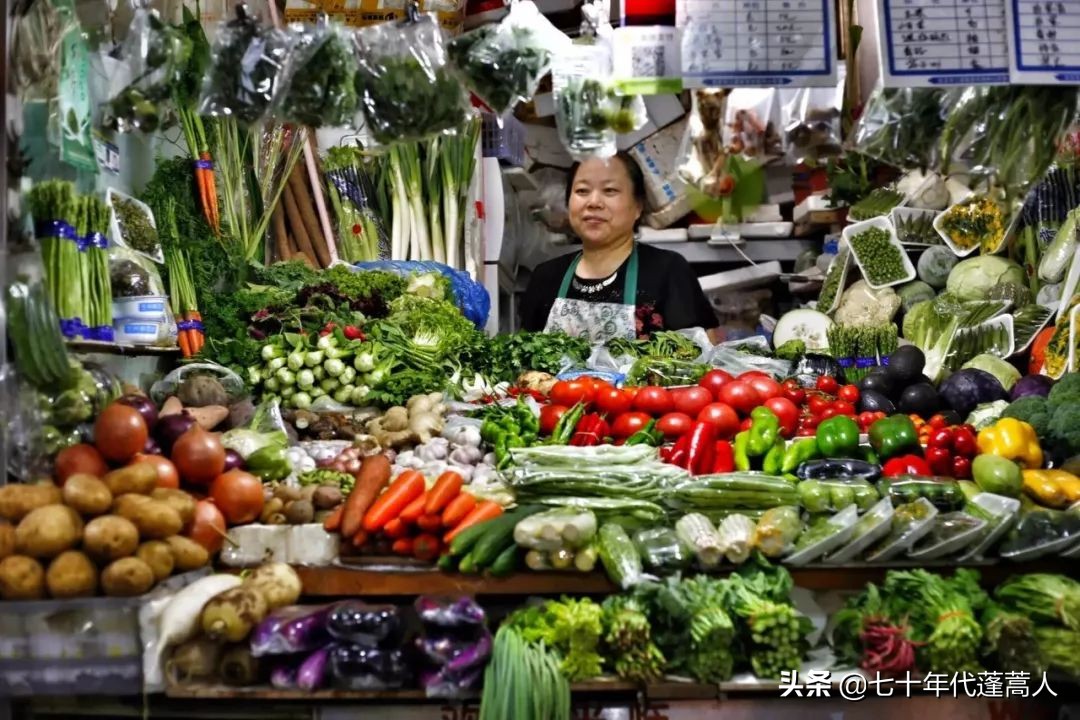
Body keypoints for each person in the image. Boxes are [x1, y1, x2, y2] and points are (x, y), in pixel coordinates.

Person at [520, 152, 720, 344]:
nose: (594, 202)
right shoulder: (545, 278)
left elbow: (701, 361)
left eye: (610, 191)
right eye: (582, 191)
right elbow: (525, 366)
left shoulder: (667, 270)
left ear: (638, 206)